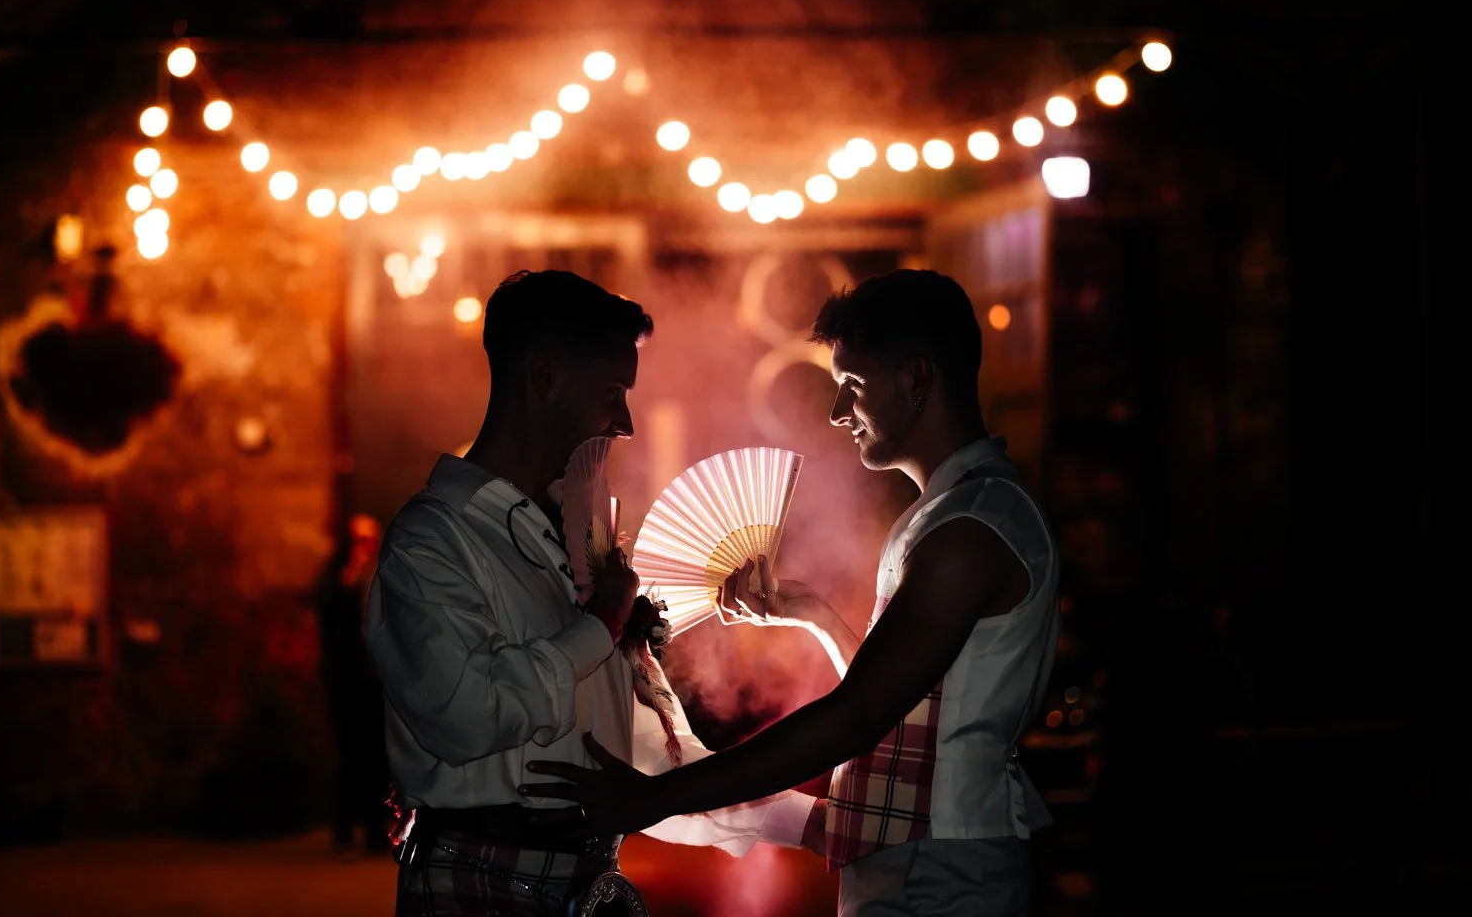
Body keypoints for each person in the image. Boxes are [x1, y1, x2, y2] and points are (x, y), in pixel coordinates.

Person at [523, 269, 1062, 916]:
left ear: (917, 379)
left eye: (853, 387)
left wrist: (652, 798)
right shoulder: (959, 511)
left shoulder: (970, 528)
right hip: (927, 846)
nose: (839, 413)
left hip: (941, 855)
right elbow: (917, 698)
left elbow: (858, 717)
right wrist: (817, 618)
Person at [362, 270, 816, 916]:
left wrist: (816, 827)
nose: (624, 422)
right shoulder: (434, 537)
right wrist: (599, 624)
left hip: (587, 884)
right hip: (478, 881)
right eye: (611, 392)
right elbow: (463, 716)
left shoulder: (575, 540)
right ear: (544, 377)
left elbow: (648, 762)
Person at [315, 512, 390, 856]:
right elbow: (328, 609)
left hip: (377, 681)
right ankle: (344, 831)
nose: (366, 548)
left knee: (377, 756)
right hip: (347, 680)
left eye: (370, 541)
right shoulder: (335, 577)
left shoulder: (383, 573)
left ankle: (376, 832)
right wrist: (349, 577)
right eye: (360, 540)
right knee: (349, 753)